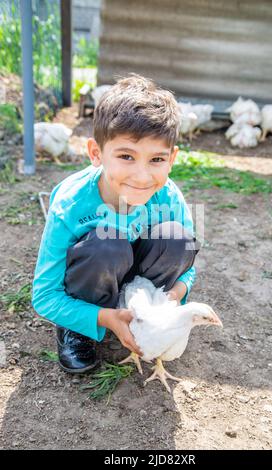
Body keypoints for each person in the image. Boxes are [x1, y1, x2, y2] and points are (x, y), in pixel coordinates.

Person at [32, 74, 200, 374]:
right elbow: (45, 296)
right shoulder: (71, 205)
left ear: (172, 158)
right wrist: (105, 317)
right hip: (98, 270)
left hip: (140, 281)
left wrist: (170, 297)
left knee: (179, 238)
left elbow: (190, 267)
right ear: (97, 153)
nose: (142, 176)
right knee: (106, 245)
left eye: (156, 160)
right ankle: (81, 326)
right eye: (126, 156)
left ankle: (144, 319)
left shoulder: (169, 197)